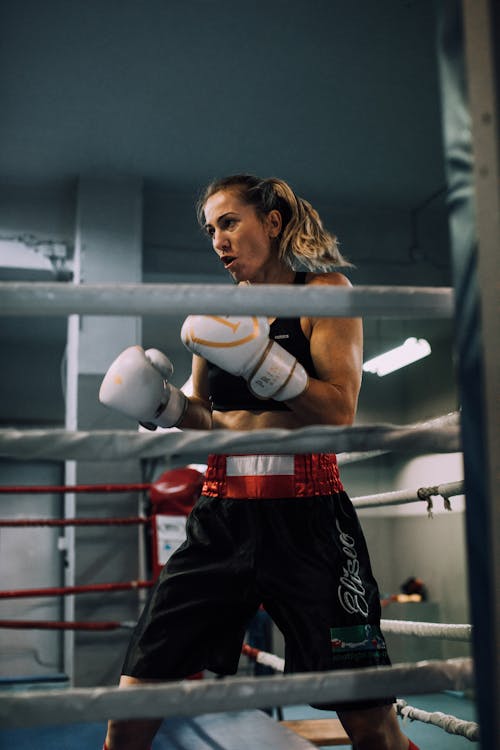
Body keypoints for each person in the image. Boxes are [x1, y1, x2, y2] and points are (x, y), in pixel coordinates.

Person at [99, 174, 419, 750]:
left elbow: (339, 412)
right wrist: (166, 405)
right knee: (132, 702)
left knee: (370, 724)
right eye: (210, 230)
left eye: (229, 222)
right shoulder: (216, 315)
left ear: (271, 222)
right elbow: (209, 421)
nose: (218, 240)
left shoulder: (325, 292)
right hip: (221, 519)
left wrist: (262, 361)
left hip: (309, 521)